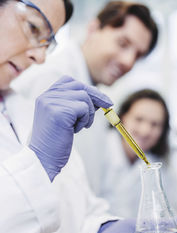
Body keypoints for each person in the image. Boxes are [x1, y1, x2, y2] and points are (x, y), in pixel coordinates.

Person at [0, 1, 177, 233]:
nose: (39, 56)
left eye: (48, 41)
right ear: (94, 28)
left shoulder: (19, 105)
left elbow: (69, 208)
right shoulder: (46, 86)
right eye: (33, 26)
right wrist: (38, 165)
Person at [11, 0, 159, 191]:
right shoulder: (51, 79)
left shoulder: (91, 93)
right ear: (93, 28)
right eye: (123, 44)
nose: (128, 61)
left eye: (138, 55)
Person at [99, 89, 177, 218]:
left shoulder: (160, 164)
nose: (145, 131)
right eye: (139, 119)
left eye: (155, 124)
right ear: (121, 117)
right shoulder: (99, 150)